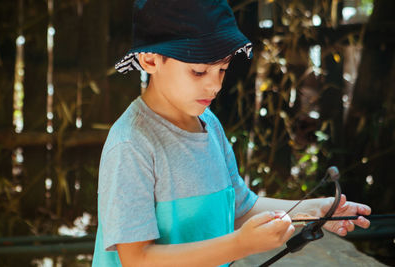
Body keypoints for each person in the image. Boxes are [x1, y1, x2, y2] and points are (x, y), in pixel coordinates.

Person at [92, 1, 371, 266]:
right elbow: (137, 260)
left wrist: (314, 210)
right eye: (199, 71)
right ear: (150, 59)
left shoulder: (208, 123)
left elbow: (241, 207)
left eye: (222, 69)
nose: (215, 86)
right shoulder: (131, 144)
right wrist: (241, 245)